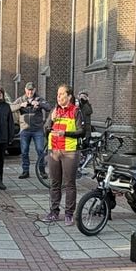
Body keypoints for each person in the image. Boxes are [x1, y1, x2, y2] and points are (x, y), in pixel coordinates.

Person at [43, 84, 85, 225]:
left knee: (69, 184)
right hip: (54, 150)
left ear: (69, 96)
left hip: (69, 151)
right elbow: (45, 129)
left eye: (61, 94)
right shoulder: (54, 111)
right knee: (54, 183)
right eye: (58, 94)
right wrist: (51, 119)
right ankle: (54, 212)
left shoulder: (76, 111)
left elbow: (82, 131)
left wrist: (65, 133)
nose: (58, 97)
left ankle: (69, 214)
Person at [11, 82, 48, 179]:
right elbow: (10, 107)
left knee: (40, 150)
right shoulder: (21, 99)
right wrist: (20, 105)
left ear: (34, 90)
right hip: (25, 130)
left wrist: (39, 104)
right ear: (25, 90)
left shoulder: (39, 99)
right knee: (24, 151)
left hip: (37, 130)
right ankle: (25, 171)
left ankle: (42, 171)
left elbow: (48, 107)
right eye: (28, 90)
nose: (30, 92)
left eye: (31, 90)